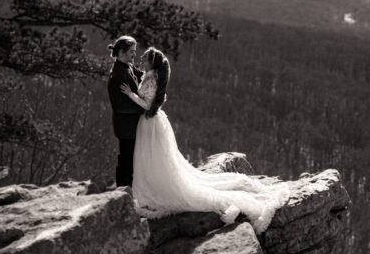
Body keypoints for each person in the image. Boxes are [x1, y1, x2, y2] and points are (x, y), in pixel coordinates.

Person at [119, 47, 289, 233]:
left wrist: (130, 95)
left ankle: (156, 188)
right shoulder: (150, 75)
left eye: (145, 57)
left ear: (152, 62)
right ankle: (152, 185)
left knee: (154, 159)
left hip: (150, 125)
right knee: (153, 159)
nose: (141, 58)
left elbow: (147, 104)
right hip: (150, 124)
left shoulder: (152, 78)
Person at [106, 36, 145, 188]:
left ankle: (128, 189)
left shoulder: (126, 66)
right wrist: (142, 107)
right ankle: (123, 190)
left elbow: (138, 75)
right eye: (131, 51)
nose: (134, 55)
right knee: (126, 159)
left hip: (131, 125)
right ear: (121, 52)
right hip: (126, 127)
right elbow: (120, 106)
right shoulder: (118, 75)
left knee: (130, 158)